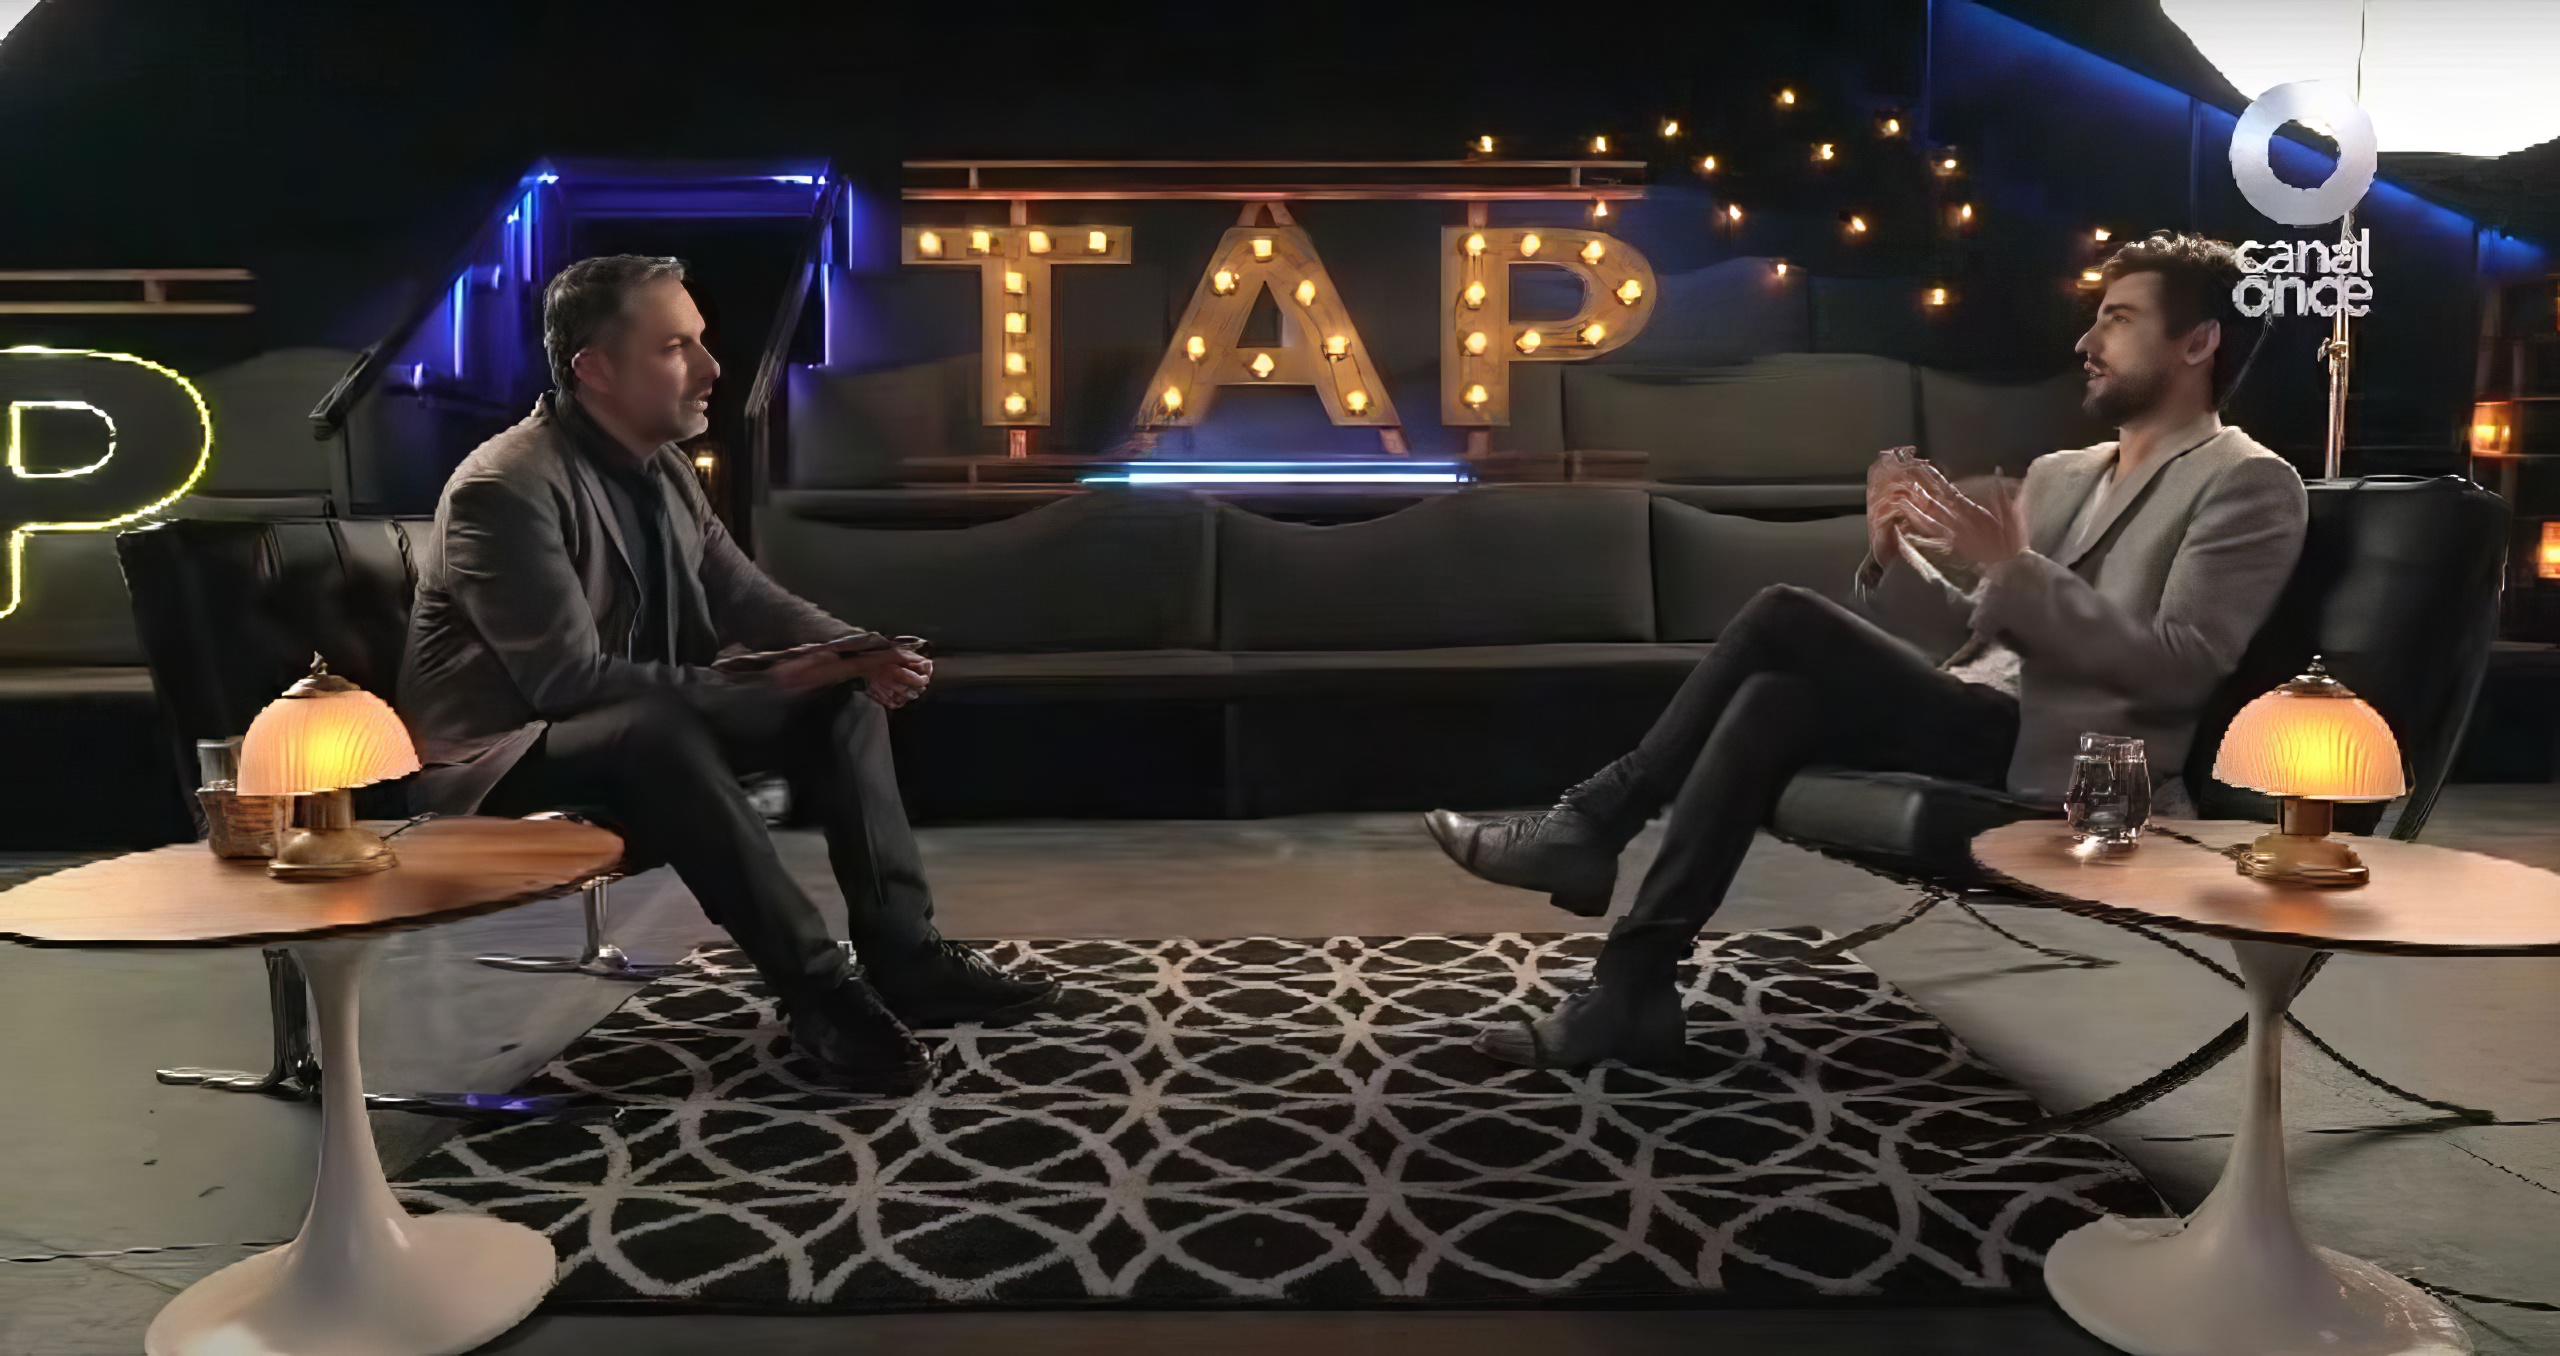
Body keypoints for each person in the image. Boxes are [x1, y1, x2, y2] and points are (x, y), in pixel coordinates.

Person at [1425, 232, 2307, 1071]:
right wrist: (1896, 559)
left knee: (1784, 614)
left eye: (2117, 319)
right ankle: (1632, 990)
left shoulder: (2247, 481)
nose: (2086, 341)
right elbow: (1984, 633)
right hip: (1980, 715)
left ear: (2198, 343)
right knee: (1773, 700)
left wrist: (2015, 568)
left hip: (2080, 767)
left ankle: (1588, 826)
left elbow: (2180, 664)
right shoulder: (2062, 473)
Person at [398, 255, 1059, 1094]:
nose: (712, 369)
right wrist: (765, 684)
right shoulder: (504, 488)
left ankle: (907, 957)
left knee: (838, 700)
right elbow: (565, 683)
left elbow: (746, 596)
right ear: (594, 369)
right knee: (654, 731)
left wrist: (859, 653)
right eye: (677, 347)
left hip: (639, 731)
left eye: (701, 342)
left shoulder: (665, 471)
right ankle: (819, 993)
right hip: (501, 759)